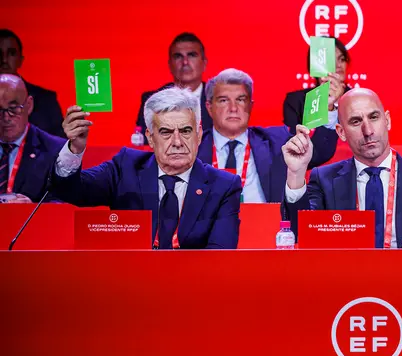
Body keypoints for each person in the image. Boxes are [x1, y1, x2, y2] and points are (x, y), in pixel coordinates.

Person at [52, 87, 241, 249]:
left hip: (193, 285)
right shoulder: (125, 168)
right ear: (150, 138)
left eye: (185, 131)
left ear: (199, 135)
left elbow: (219, 257)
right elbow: (71, 190)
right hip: (130, 284)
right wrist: (74, 149)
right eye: (166, 132)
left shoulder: (223, 186)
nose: (177, 142)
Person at [282, 88, 402, 248]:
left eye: (374, 117)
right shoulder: (325, 180)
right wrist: (296, 173)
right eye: (355, 121)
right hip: (347, 281)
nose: (368, 131)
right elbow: (300, 233)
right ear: (340, 132)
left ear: (388, 121)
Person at [197, 68, 338, 203]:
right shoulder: (194, 148)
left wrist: (328, 108)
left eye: (240, 100)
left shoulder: (277, 141)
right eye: (223, 100)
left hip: (266, 225)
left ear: (250, 105)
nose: (233, 108)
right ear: (209, 107)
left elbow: (318, 153)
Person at [135, 33, 211, 144]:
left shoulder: (218, 99)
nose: (185, 62)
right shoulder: (152, 101)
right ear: (170, 64)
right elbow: (145, 145)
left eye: (191, 55)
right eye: (178, 56)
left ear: (204, 63)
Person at [0, 74, 66, 203]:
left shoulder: (56, 150)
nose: (6, 118)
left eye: (14, 108)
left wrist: (31, 208)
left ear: (29, 105)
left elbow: (63, 204)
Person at [0, 29, 64, 137]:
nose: (4, 60)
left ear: (21, 59)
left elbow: (60, 145)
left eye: (11, 53)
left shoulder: (45, 100)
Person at [283, 37, 349, 134]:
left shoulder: (360, 99)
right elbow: (293, 141)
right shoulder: (296, 101)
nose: (338, 65)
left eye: (342, 59)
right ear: (315, 65)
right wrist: (326, 105)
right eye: (331, 60)